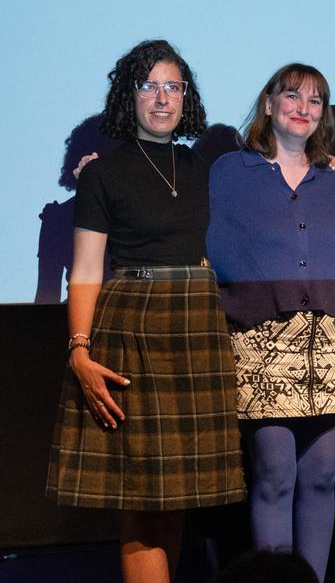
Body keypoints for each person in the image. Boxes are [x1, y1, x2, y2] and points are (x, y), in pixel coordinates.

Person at [46, 39, 245, 583]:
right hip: (133, 327)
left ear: (187, 97)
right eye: (149, 86)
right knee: (141, 496)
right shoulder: (102, 174)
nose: (162, 98)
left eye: (173, 87)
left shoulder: (205, 169)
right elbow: (86, 271)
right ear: (128, 96)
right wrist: (80, 351)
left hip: (197, 329)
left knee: (175, 496)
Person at [206, 63, 335, 581]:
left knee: (322, 478)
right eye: (292, 96)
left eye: (315, 100)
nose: (302, 108)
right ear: (268, 105)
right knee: (275, 477)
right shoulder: (229, 172)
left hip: (334, 344)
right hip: (261, 343)